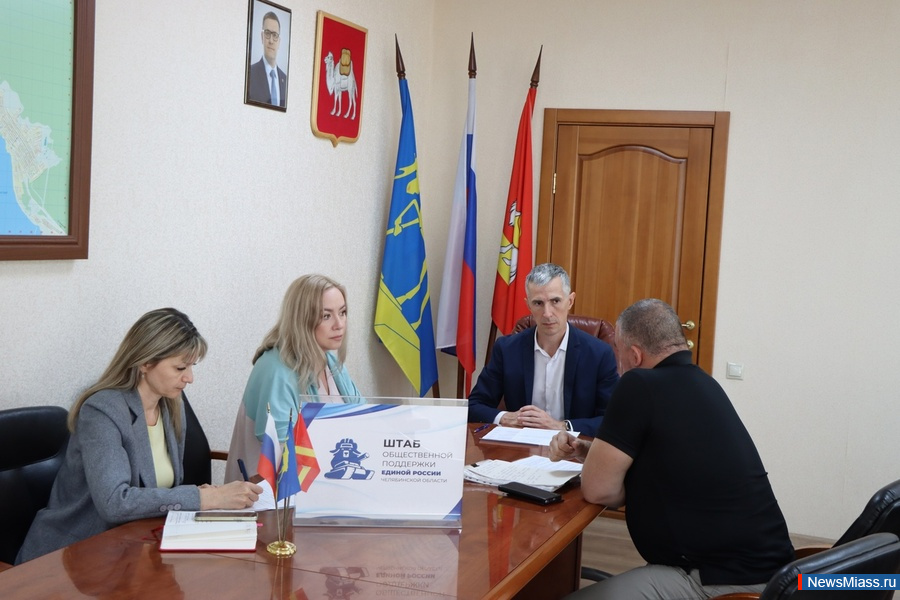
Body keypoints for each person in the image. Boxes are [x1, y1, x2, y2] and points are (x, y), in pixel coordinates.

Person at [550, 299, 794, 599]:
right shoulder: (703, 383)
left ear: (635, 355)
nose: (617, 363)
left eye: (618, 352)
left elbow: (598, 490)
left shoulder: (638, 383)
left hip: (720, 580)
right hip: (776, 572)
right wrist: (588, 451)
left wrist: (606, 472)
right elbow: (663, 460)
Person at [16, 308, 262, 564]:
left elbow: (159, 489)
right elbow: (115, 502)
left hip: (132, 547)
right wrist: (204, 498)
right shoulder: (102, 411)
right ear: (145, 363)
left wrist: (201, 496)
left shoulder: (170, 405)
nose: (189, 378)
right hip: (72, 555)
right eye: (180, 367)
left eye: (191, 366)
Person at [225, 274, 363, 483]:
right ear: (301, 319)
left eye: (342, 312)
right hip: (271, 494)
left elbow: (363, 420)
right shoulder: (276, 369)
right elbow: (281, 453)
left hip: (327, 484)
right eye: (326, 316)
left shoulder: (331, 362)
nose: (339, 324)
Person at [467, 263, 618, 437]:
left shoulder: (599, 354)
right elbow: (474, 406)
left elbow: (612, 420)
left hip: (573, 447)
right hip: (520, 446)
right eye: (538, 303)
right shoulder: (507, 349)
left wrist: (560, 426)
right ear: (528, 305)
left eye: (555, 301)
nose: (547, 313)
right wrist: (506, 418)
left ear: (570, 301)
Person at [247, 11, 287, 107]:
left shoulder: (286, 80)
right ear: (262, 37)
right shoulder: (250, 74)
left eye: (275, 35)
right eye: (267, 33)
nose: (271, 41)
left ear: (279, 42)